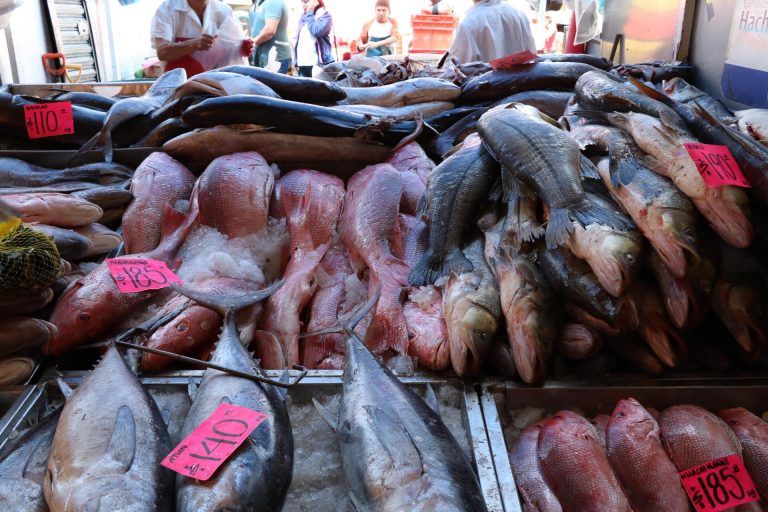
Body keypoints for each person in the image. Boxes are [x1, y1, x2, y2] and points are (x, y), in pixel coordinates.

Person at [151, 0, 253, 76]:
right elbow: (162, 52)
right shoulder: (167, 9)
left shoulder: (223, 10)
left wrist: (242, 47)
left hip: (215, 85)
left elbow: (231, 50)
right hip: (178, 86)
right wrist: (193, 44)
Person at [450, 0, 536, 63]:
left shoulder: (469, 23)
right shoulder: (519, 15)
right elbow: (532, 58)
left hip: (485, 83)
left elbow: (458, 71)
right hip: (523, 82)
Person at [294, 0, 334, 77]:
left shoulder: (325, 15)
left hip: (318, 63)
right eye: (302, 2)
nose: (303, 5)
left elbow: (316, 31)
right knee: (303, 84)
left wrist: (309, 12)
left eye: (306, 2)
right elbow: (298, 39)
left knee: (318, 84)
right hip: (303, 63)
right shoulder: (303, 16)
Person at [250, 0, 292, 73]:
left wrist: (251, 44)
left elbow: (269, 31)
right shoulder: (256, 4)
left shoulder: (273, 1)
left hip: (275, 59)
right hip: (261, 56)